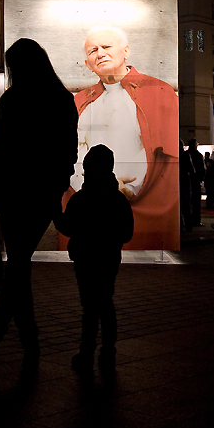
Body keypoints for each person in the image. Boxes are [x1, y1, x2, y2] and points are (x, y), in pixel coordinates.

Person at [0, 38, 78, 375]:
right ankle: (22, 340)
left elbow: (1, 154)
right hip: (40, 193)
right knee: (19, 265)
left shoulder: (11, 100)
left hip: (11, 191)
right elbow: (66, 154)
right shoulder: (61, 100)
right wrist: (57, 187)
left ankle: (0, 338)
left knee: (18, 266)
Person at [69, 25, 179, 250]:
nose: (100, 54)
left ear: (126, 51)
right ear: (88, 65)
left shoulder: (158, 91)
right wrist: (85, 186)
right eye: (92, 51)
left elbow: (162, 151)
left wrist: (129, 187)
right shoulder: (79, 101)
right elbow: (73, 150)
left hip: (141, 193)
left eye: (106, 47)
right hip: (90, 199)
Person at [55, 145, 133, 372]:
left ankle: (86, 352)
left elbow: (67, 227)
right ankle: (108, 351)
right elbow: (126, 233)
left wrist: (54, 211)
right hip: (109, 257)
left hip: (84, 258)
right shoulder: (118, 199)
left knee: (89, 306)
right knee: (106, 302)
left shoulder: (81, 198)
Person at [187, 138, 205, 226]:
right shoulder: (198, 155)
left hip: (187, 180)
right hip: (196, 180)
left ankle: (188, 220)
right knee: (196, 202)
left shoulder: (185, 154)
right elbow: (202, 169)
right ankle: (196, 220)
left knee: (187, 201)